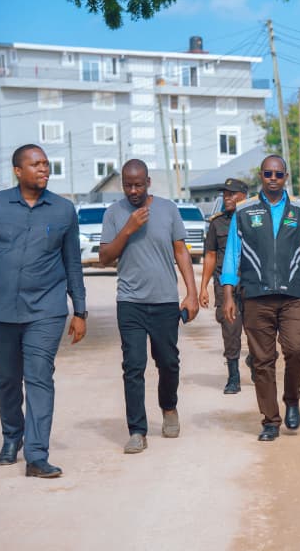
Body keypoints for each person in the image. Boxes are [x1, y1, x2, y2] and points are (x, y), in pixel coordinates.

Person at [0, 144, 87, 478]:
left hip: (46, 310)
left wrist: (80, 310)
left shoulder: (63, 210)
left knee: (39, 377)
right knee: (7, 379)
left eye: (46, 164)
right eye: (35, 164)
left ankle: (37, 455)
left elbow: (73, 263)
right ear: (17, 171)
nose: (43, 169)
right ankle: (12, 436)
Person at [99, 159, 199, 454]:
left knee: (168, 362)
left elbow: (181, 252)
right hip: (130, 301)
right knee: (133, 366)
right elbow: (104, 257)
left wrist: (191, 293)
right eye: (128, 185)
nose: (133, 190)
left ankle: (169, 407)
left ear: (148, 183)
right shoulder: (114, 213)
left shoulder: (168, 209)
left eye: (138, 185)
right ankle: (137, 431)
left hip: (165, 300)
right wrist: (128, 229)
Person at [221, 155, 300, 442]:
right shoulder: (244, 211)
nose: (273, 179)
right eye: (268, 174)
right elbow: (232, 254)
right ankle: (270, 420)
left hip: (293, 295)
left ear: (286, 177)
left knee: (297, 350)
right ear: (261, 176)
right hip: (256, 296)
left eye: (278, 174)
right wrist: (228, 294)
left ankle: (292, 398)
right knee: (262, 361)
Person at [199, 178, 250, 395]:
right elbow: (210, 255)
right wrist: (203, 287)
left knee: (257, 328)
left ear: (244, 196)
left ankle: (256, 359)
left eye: (232, 194)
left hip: (252, 283)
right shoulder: (217, 223)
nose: (227, 198)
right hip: (225, 285)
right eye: (225, 195)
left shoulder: (255, 218)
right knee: (230, 330)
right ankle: (233, 377)